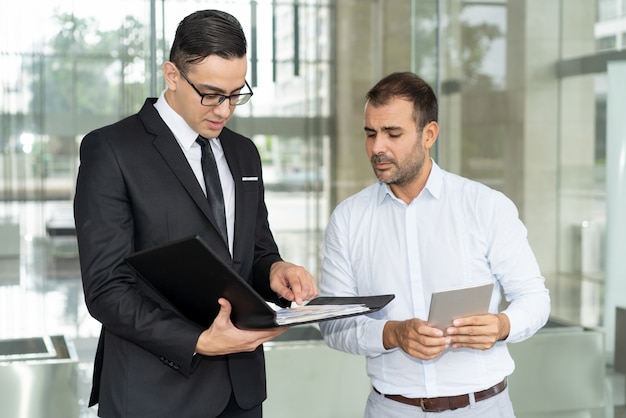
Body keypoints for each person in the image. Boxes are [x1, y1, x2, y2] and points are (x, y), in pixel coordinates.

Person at [73, 9, 318, 418]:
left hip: (240, 394)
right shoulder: (112, 151)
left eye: (236, 93)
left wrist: (276, 269)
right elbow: (106, 289)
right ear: (172, 75)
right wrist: (197, 340)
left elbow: (255, 251)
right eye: (210, 93)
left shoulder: (244, 154)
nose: (224, 109)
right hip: (155, 394)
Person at [318, 72, 550, 417]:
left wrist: (503, 326)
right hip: (391, 409)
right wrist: (392, 333)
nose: (377, 147)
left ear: (429, 135)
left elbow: (534, 298)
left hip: (482, 407)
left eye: (392, 133)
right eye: (370, 133)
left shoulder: (485, 206)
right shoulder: (348, 219)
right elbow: (334, 326)